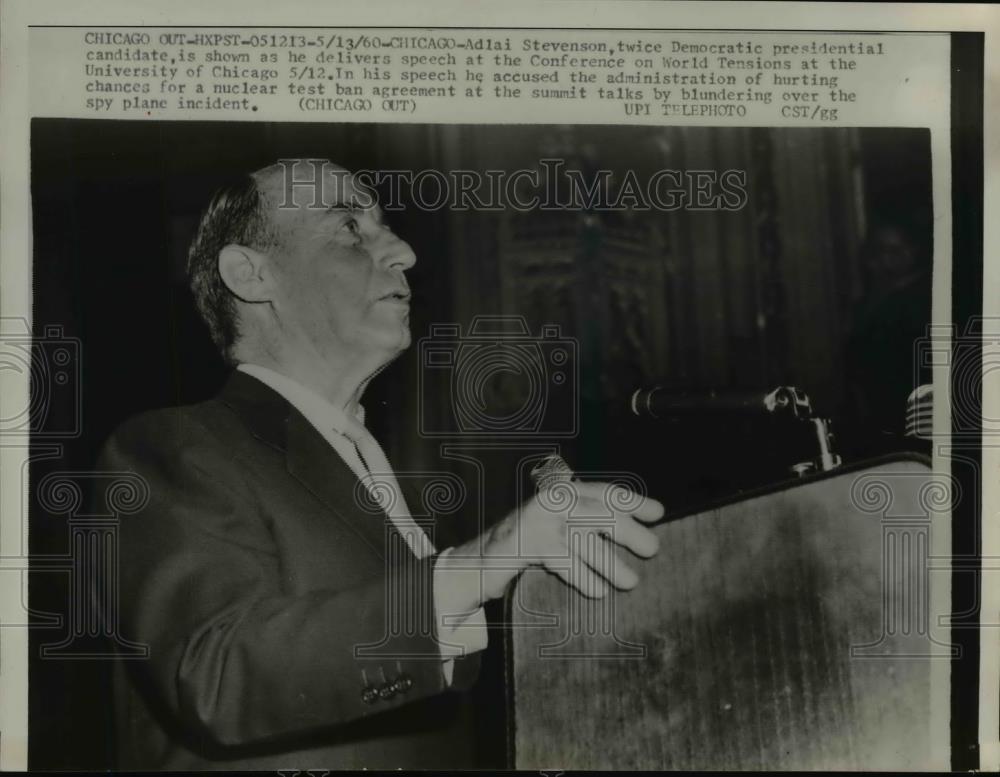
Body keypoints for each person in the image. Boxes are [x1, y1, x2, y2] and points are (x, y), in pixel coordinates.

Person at [96, 159, 663, 769]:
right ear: (251, 275)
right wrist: (483, 561)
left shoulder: (379, 478)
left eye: (383, 224)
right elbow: (213, 674)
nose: (404, 252)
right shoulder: (174, 447)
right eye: (348, 225)